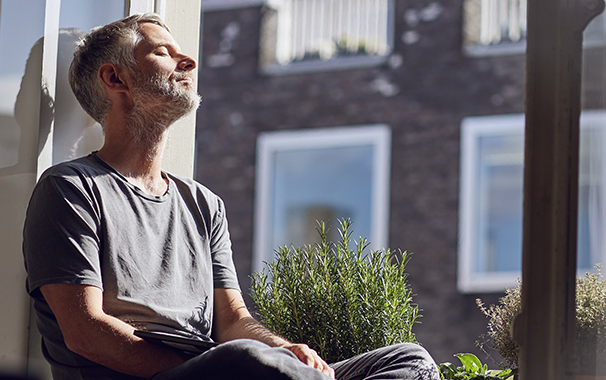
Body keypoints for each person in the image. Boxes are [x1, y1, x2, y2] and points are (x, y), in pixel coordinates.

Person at [22, 13, 439, 380]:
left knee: (408, 361)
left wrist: (280, 349)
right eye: (164, 52)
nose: (189, 62)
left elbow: (234, 320)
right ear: (116, 79)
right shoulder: (72, 189)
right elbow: (85, 332)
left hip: (230, 367)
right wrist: (233, 366)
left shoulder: (204, 205)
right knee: (245, 360)